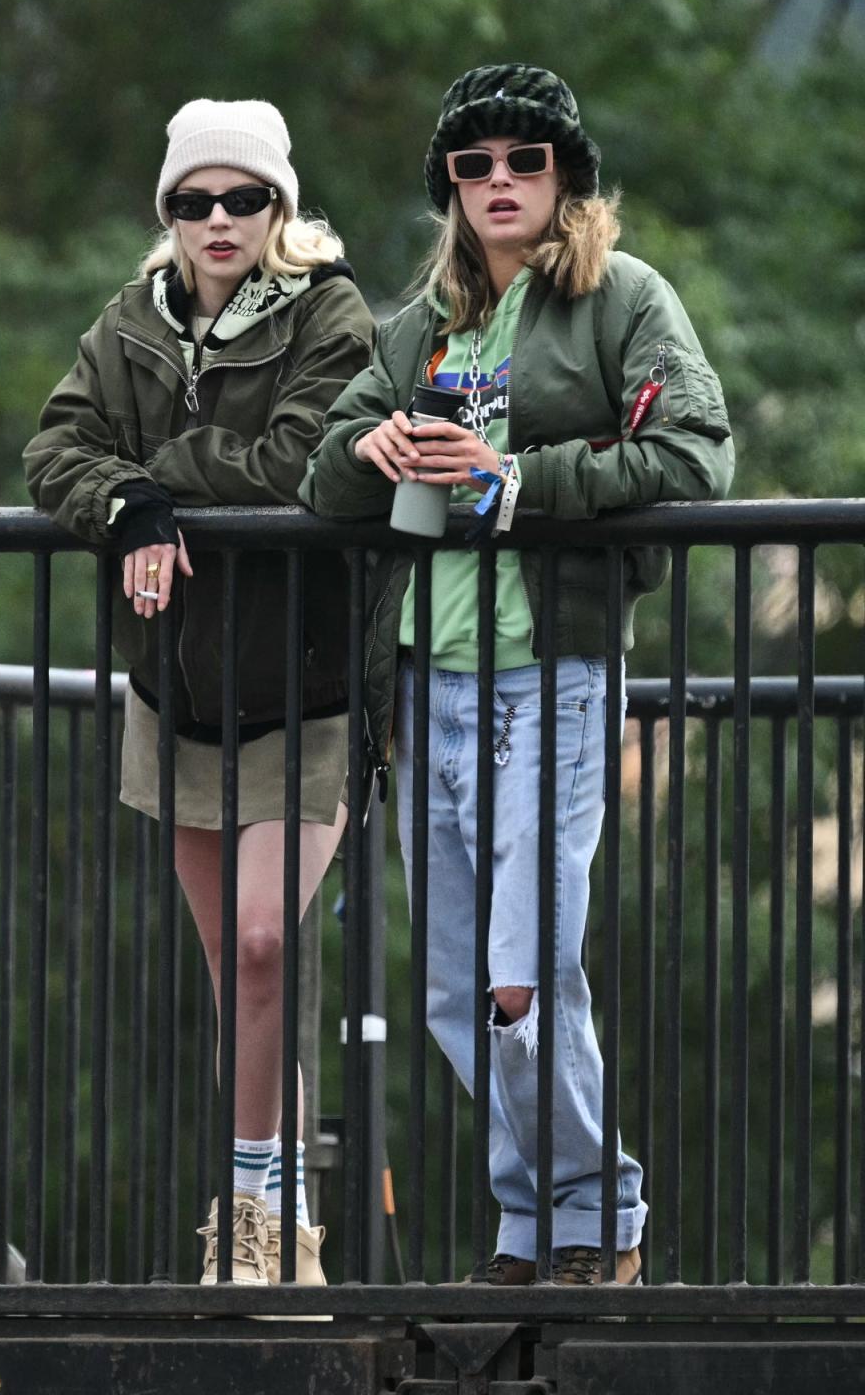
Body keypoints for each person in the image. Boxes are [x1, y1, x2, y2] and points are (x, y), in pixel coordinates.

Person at [301, 64, 733, 1285]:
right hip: (423, 689)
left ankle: (598, 1218)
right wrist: (369, 446)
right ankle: (536, 1224)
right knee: (453, 996)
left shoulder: (621, 299)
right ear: (450, 186)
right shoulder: (425, 321)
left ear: (566, 180)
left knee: (521, 982)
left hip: (552, 680)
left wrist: (523, 482)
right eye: (472, 164)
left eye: (523, 162)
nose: (498, 180)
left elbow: (696, 450)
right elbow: (322, 468)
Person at [23, 98, 375, 1290]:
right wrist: (124, 505)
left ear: (281, 209)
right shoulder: (128, 325)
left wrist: (157, 485)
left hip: (307, 684)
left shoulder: (329, 313)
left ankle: (259, 1215)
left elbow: (299, 458)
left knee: (270, 943)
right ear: (165, 211)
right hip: (173, 692)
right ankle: (273, 1212)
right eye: (193, 200)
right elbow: (54, 450)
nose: (218, 219)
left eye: (244, 198)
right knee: (237, 971)